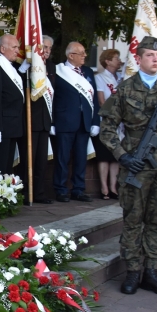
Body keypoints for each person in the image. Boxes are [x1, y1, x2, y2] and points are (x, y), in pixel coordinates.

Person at [99, 36, 157, 296]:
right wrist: (122, 155)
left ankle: (152, 271)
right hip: (135, 165)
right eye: (150, 55)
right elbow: (107, 128)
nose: (155, 59)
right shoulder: (125, 89)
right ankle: (132, 271)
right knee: (133, 219)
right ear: (138, 59)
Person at [52, 41, 100, 202]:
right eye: (81, 53)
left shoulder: (88, 72)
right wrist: (52, 122)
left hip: (84, 122)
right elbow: (52, 98)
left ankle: (78, 189)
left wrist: (95, 121)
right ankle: (60, 189)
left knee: (81, 158)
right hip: (65, 121)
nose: (85, 56)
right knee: (62, 158)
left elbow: (93, 99)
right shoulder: (58, 71)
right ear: (71, 55)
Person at [16, 35, 55, 204]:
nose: (47, 51)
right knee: (27, 160)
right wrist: (24, 69)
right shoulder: (27, 66)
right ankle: (25, 192)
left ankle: (39, 192)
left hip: (45, 121)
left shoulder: (51, 66)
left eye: (49, 48)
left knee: (41, 161)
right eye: (44, 47)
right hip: (30, 120)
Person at [0, 34, 26, 175]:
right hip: (1, 128)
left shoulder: (9, 66)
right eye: (14, 47)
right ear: (3, 48)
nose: (17, 51)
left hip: (12, 127)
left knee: (7, 168)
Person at [94, 49, 122, 200]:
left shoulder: (121, 78)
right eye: (116, 58)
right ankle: (104, 187)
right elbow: (101, 100)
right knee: (104, 156)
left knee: (115, 156)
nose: (119, 61)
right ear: (108, 61)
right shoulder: (100, 77)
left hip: (120, 123)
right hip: (106, 121)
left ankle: (113, 187)